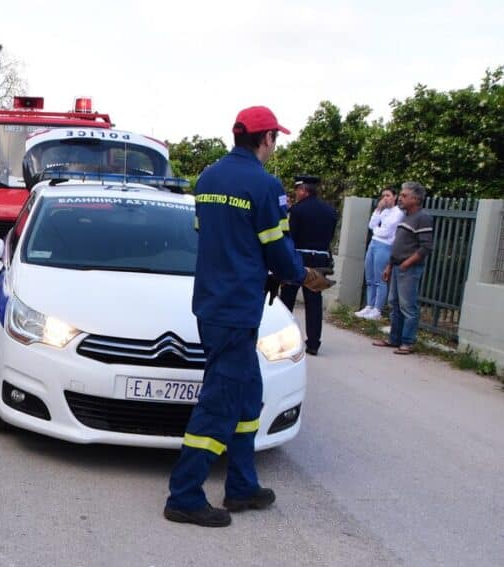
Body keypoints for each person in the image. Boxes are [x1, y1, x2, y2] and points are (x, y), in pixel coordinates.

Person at [164, 106, 333, 528]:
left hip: (212, 303)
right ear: (266, 138)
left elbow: (218, 238)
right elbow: (278, 250)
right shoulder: (265, 185)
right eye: (276, 138)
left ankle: (241, 485)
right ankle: (184, 495)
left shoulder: (209, 178)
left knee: (247, 394)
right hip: (237, 309)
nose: (275, 145)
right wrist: (304, 276)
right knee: (219, 402)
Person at [279, 176, 337, 355]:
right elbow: (330, 237)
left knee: (287, 299)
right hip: (320, 259)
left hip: (299, 258)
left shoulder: (297, 210)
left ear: (304, 190)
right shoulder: (330, 211)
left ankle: (283, 340)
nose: (296, 194)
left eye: (297, 190)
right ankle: (313, 343)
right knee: (314, 302)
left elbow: (291, 237)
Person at [373, 181, 433, 354]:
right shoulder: (405, 216)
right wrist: (390, 265)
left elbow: (426, 247)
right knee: (395, 304)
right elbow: (398, 244)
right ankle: (394, 339)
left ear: (416, 199)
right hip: (397, 266)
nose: (400, 198)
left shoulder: (422, 217)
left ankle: (408, 341)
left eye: (404, 195)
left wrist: (407, 263)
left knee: (408, 306)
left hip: (409, 269)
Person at [355, 188, 404, 320]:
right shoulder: (383, 211)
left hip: (385, 245)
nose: (385, 198)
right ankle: (369, 305)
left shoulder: (398, 213)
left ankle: (377, 309)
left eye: (388, 195)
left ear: (395, 197)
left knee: (380, 279)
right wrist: (378, 209)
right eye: (383, 196)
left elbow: (386, 232)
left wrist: (377, 230)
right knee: (370, 277)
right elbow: (371, 225)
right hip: (373, 243)